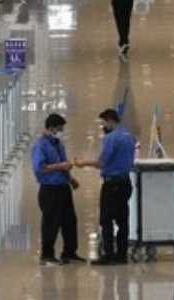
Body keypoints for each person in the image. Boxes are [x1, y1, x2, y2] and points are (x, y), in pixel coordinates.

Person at [75, 109, 137, 265]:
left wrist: (83, 163)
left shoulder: (111, 138)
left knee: (106, 220)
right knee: (123, 220)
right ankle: (121, 255)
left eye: (103, 123)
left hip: (112, 184)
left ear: (110, 121)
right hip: (125, 183)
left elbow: (102, 162)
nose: (103, 127)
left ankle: (108, 255)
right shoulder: (129, 137)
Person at [31, 113, 82, 266]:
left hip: (63, 188)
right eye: (59, 129)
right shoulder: (40, 145)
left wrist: (70, 179)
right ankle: (46, 255)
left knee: (70, 221)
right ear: (51, 128)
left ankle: (69, 252)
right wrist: (60, 166)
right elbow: (40, 168)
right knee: (51, 223)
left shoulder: (58, 144)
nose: (61, 132)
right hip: (50, 190)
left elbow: (63, 163)